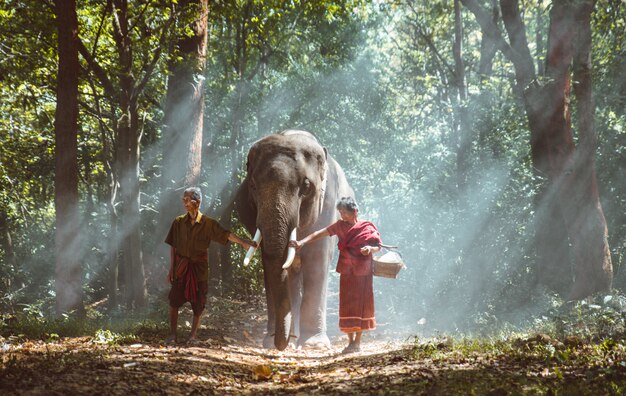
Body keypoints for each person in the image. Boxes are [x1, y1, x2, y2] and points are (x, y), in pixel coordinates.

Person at [289, 196, 381, 354]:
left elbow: (377, 246)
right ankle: (350, 341)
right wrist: (301, 242)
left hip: (363, 272)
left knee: (361, 306)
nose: (342, 216)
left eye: (345, 212)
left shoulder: (366, 227)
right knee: (347, 305)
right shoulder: (339, 226)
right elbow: (320, 233)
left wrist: (369, 249)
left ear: (355, 211)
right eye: (340, 212)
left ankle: (357, 343)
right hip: (347, 271)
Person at [164, 187, 256, 345]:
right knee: (174, 301)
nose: (184, 203)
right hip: (181, 269)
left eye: (187, 200)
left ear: (197, 202)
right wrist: (171, 269)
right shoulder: (178, 222)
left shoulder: (208, 223)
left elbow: (225, 234)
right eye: (183, 200)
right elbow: (173, 247)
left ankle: (192, 336)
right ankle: (173, 335)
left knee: (199, 304)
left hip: (199, 270)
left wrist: (243, 242)